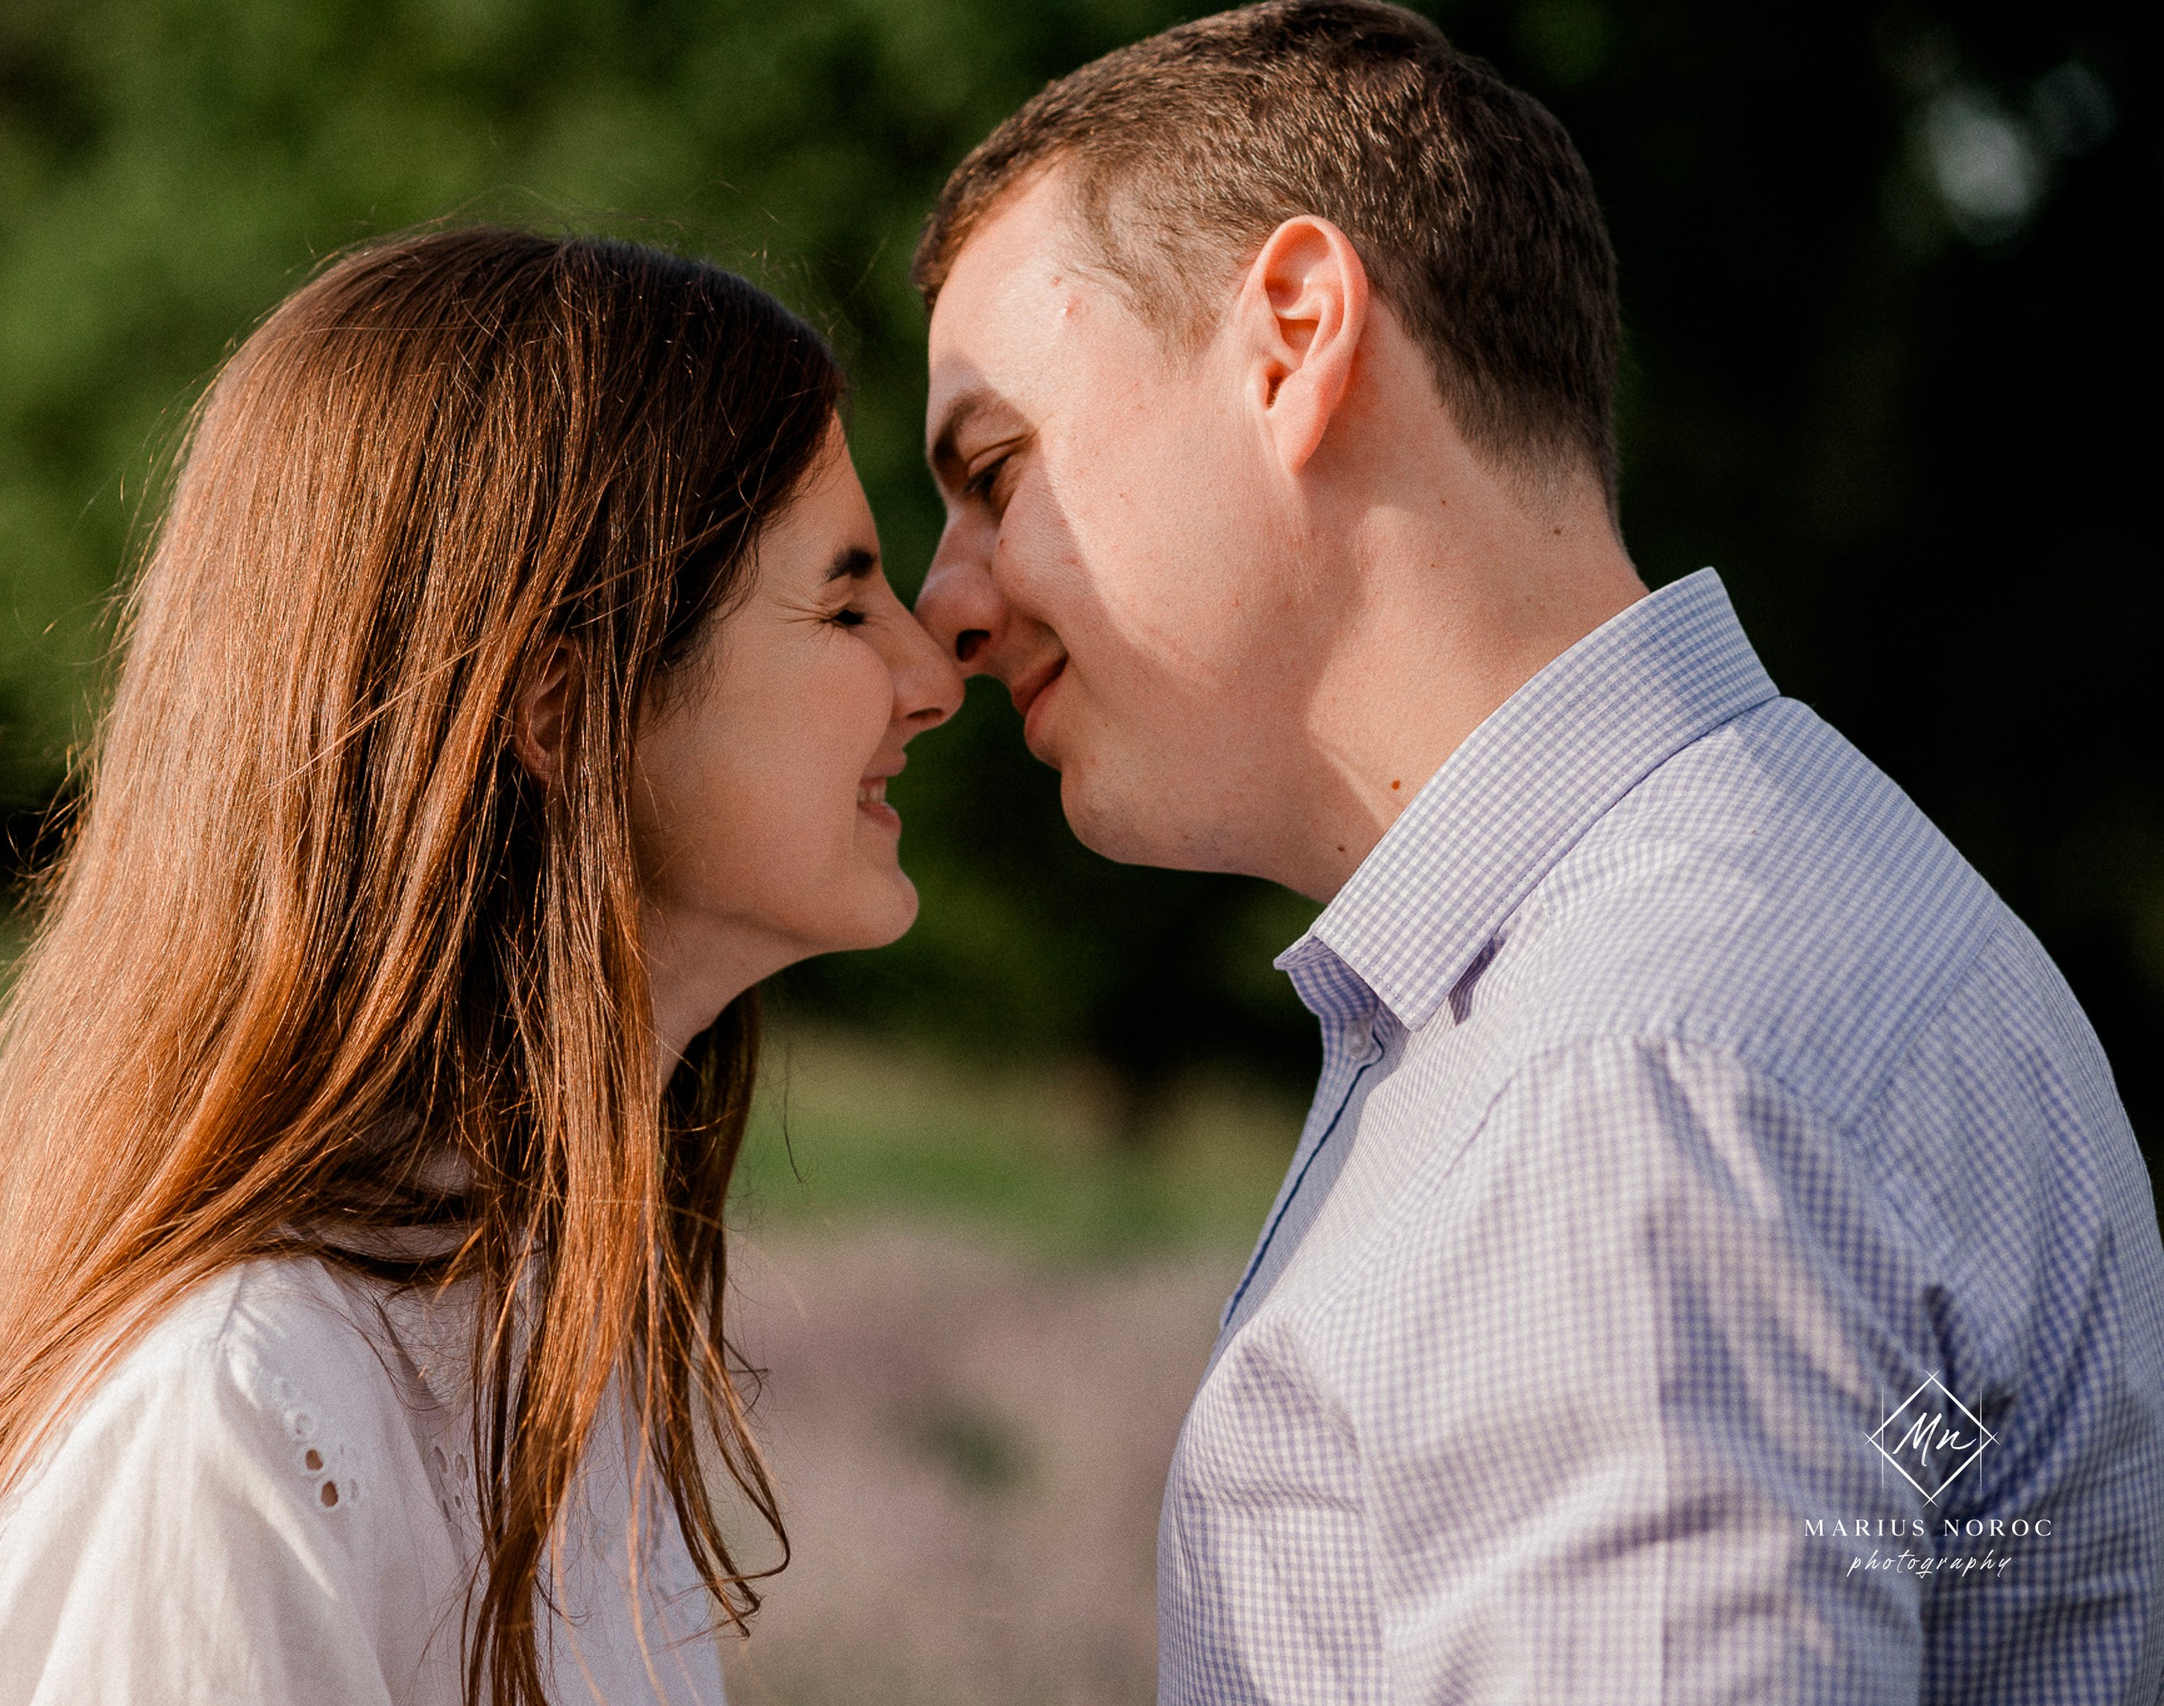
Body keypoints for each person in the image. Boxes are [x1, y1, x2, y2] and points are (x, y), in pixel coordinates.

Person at [908, 3, 2164, 1700]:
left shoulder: (1627, 1075)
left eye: (993, 469)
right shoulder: (1761, 924)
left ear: (1290, 337)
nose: (945, 605)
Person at [0, 227, 959, 1706]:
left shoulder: (533, 1356)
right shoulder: (238, 1422)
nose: (932, 678)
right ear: (564, 706)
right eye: (842, 600)